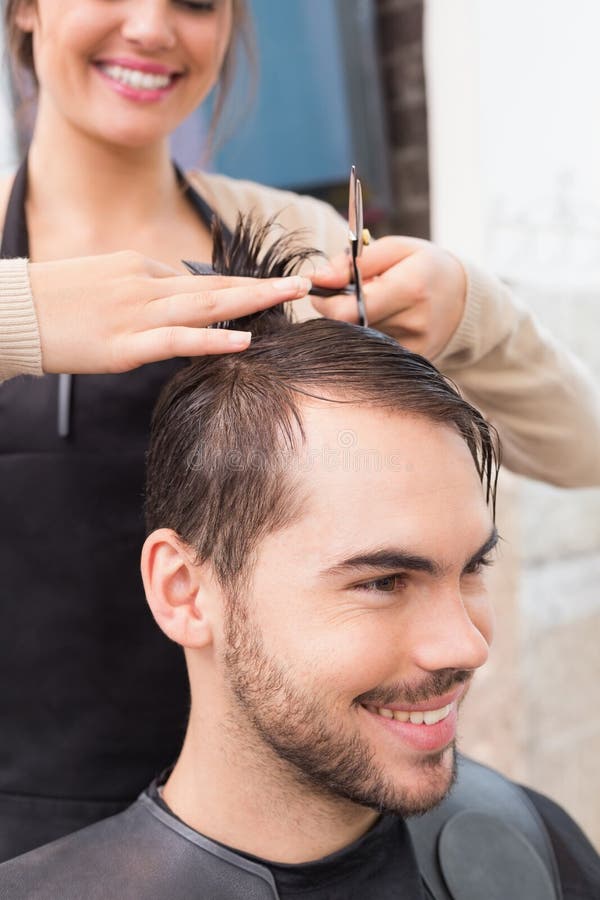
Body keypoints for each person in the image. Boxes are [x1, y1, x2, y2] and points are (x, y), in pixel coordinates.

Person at [1, 0, 600, 863]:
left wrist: (474, 312)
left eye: (196, 4)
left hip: (297, 818)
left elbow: (578, 448)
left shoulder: (302, 239)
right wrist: (19, 316)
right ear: (27, 9)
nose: (151, 27)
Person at [0, 275, 597, 898]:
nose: (466, 647)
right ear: (185, 591)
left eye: (472, 567)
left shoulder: (529, 847)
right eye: (384, 581)